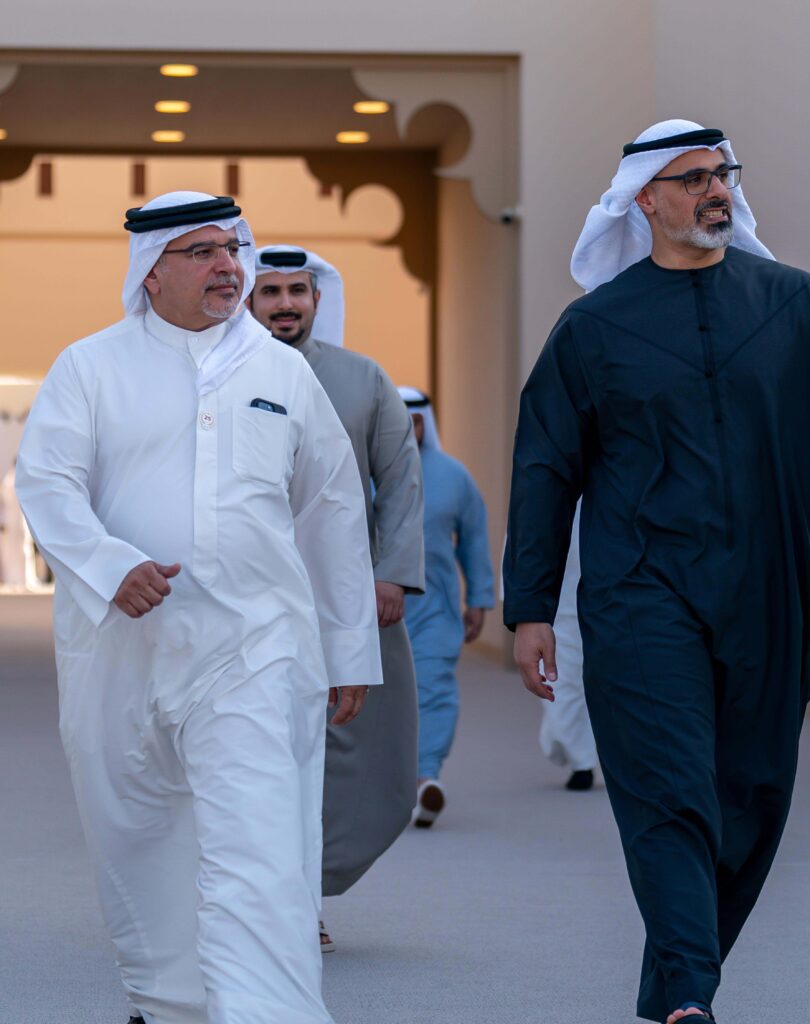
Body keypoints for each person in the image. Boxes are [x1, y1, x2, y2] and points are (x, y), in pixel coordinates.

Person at [502, 120, 810, 1024]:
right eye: (692, 179)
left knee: (753, 795)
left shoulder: (796, 305)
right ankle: (692, 995)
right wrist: (530, 605)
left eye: (721, 174)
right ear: (644, 201)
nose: (715, 190)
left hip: (770, 587)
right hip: (640, 592)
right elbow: (545, 469)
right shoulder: (593, 329)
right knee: (666, 787)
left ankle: (674, 984)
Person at [16, 191, 381, 1024]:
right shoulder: (90, 367)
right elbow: (47, 481)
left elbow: (331, 509)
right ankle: (168, 1004)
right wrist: (111, 567)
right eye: (203, 252)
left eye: (231, 250)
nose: (227, 267)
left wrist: (347, 648)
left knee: (260, 842)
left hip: (256, 645)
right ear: (152, 272)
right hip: (123, 646)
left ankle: (268, 1014)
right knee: (138, 832)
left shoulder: (280, 371)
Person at [249, 244, 424, 949]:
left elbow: (400, 477)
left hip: (344, 597)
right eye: (271, 292)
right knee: (250, 749)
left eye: (297, 291)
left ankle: (307, 888)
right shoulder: (217, 373)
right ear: (249, 301)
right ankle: (263, 900)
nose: (286, 304)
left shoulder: (362, 379)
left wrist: (392, 573)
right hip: (245, 598)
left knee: (353, 750)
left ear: (317, 300)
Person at [399, 387, 494, 826]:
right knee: (380, 701)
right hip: (374, 613)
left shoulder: (454, 476)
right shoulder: (363, 471)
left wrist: (479, 599)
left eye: (415, 419)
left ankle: (426, 779)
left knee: (434, 689)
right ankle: (389, 783)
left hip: (436, 610)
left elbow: (474, 538)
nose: (408, 427)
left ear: (427, 422)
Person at [539, 501, 597, 790]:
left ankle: (580, 751)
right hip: (557, 600)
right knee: (561, 677)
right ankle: (580, 759)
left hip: (604, 588)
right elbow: (524, 529)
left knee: (598, 679)